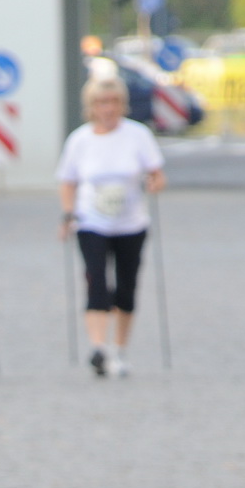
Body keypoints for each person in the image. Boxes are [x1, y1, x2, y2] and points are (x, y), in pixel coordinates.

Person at [56, 73, 166, 378]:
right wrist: (68, 214)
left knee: (126, 287)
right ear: (91, 106)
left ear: (123, 104)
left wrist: (154, 182)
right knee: (97, 284)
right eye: (102, 102)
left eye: (114, 101)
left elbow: (157, 173)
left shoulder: (138, 135)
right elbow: (67, 181)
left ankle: (119, 348)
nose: (109, 108)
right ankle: (98, 347)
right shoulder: (80, 140)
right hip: (91, 221)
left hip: (131, 222)